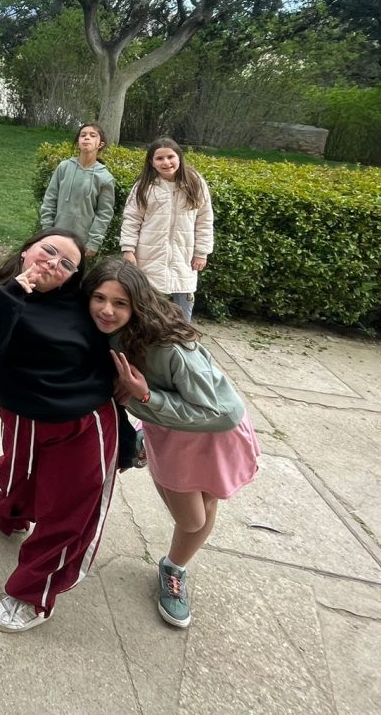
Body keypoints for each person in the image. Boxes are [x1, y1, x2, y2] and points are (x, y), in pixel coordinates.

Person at [0, 228, 118, 634]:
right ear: (28, 248)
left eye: (67, 264)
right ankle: (8, 514)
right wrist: (15, 292)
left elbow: (134, 324)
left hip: (80, 423)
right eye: (49, 250)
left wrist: (147, 401)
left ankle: (34, 595)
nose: (53, 264)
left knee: (65, 514)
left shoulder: (82, 304)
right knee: (17, 474)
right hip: (21, 414)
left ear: (73, 277)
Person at [85, 257, 259, 629]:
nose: (107, 310)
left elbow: (222, 412)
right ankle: (175, 562)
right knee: (194, 518)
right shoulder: (104, 331)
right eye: (99, 298)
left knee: (198, 514)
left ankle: (174, 568)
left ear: (137, 305)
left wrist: (146, 397)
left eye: (119, 303)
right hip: (169, 432)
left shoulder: (171, 348)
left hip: (212, 433)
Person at [120, 137, 214, 321]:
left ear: (179, 157)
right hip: (149, 257)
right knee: (147, 312)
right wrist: (128, 249)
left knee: (182, 314)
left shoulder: (195, 183)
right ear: (151, 162)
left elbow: (204, 220)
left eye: (170, 157)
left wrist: (202, 252)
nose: (166, 162)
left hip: (184, 258)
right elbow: (131, 219)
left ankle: (181, 338)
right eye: (160, 158)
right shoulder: (144, 186)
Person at [38, 123, 116, 258]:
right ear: (77, 142)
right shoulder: (64, 167)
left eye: (92, 135)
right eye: (83, 135)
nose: (87, 138)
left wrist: (94, 242)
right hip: (55, 235)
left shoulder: (105, 178)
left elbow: (104, 213)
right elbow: (50, 199)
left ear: (101, 144)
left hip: (81, 242)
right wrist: (47, 230)